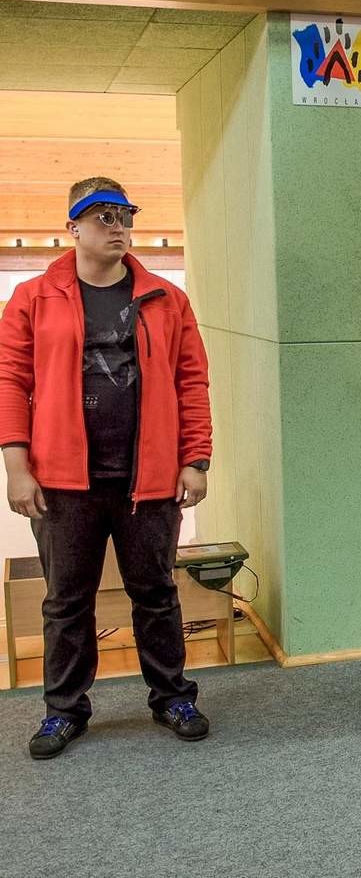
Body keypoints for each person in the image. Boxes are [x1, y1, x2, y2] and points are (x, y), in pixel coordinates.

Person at [0, 177, 214, 759]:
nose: (118, 227)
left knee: (156, 593)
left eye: (125, 215)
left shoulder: (166, 299)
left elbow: (191, 382)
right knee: (67, 601)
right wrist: (17, 466)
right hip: (64, 482)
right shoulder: (33, 298)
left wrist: (194, 458)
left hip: (149, 478)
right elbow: (11, 382)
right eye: (103, 216)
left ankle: (172, 697)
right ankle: (64, 710)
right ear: (73, 227)